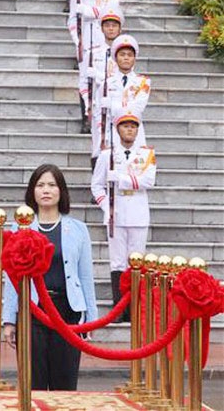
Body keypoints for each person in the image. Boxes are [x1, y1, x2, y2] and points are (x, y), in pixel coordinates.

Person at [2, 164, 98, 391]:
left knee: (64, 385)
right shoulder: (21, 228)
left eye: (52, 185)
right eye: (40, 185)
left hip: (67, 312)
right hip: (32, 312)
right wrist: (9, 320)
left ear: (61, 191)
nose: (46, 190)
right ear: (32, 191)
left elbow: (85, 276)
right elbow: (12, 277)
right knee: (32, 384)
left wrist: (91, 318)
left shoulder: (78, 229)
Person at [91, 109, 156, 319]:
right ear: (118, 129)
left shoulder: (146, 155)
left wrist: (120, 178)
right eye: (126, 126)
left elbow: (148, 181)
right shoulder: (106, 155)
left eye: (133, 126)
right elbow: (96, 186)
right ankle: (119, 309)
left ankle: (135, 307)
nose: (130, 130)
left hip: (138, 212)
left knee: (136, 261)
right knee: (118, 262)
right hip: (115, 214)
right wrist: (106, 208)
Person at [68, 0, 121, 132]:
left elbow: (111, 11)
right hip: (86, 43)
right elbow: (72, 19)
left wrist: (90, 11)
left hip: (107, 41)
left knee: (107, 78)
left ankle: (107, 118)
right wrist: (77, 41)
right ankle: (86, 117)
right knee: (85, 80)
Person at [98, 34, 150, 151]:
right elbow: (99, 114)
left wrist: (112, 105)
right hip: (111, 131)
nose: (126, 58)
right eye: (122, 54)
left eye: (130, 55)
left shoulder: (143, 82)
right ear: (115, 58)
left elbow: (136, 108)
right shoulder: (106, 83)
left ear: (134, 58)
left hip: (133, 131)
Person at [90, 9, 124, 165]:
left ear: (120, 29)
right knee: (99, 145)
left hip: (118, 105)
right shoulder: (95, 52)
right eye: (107, 25)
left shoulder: (125, 54)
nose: (111, 29)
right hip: (99, 104)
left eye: (114, 26)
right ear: (102, 28)